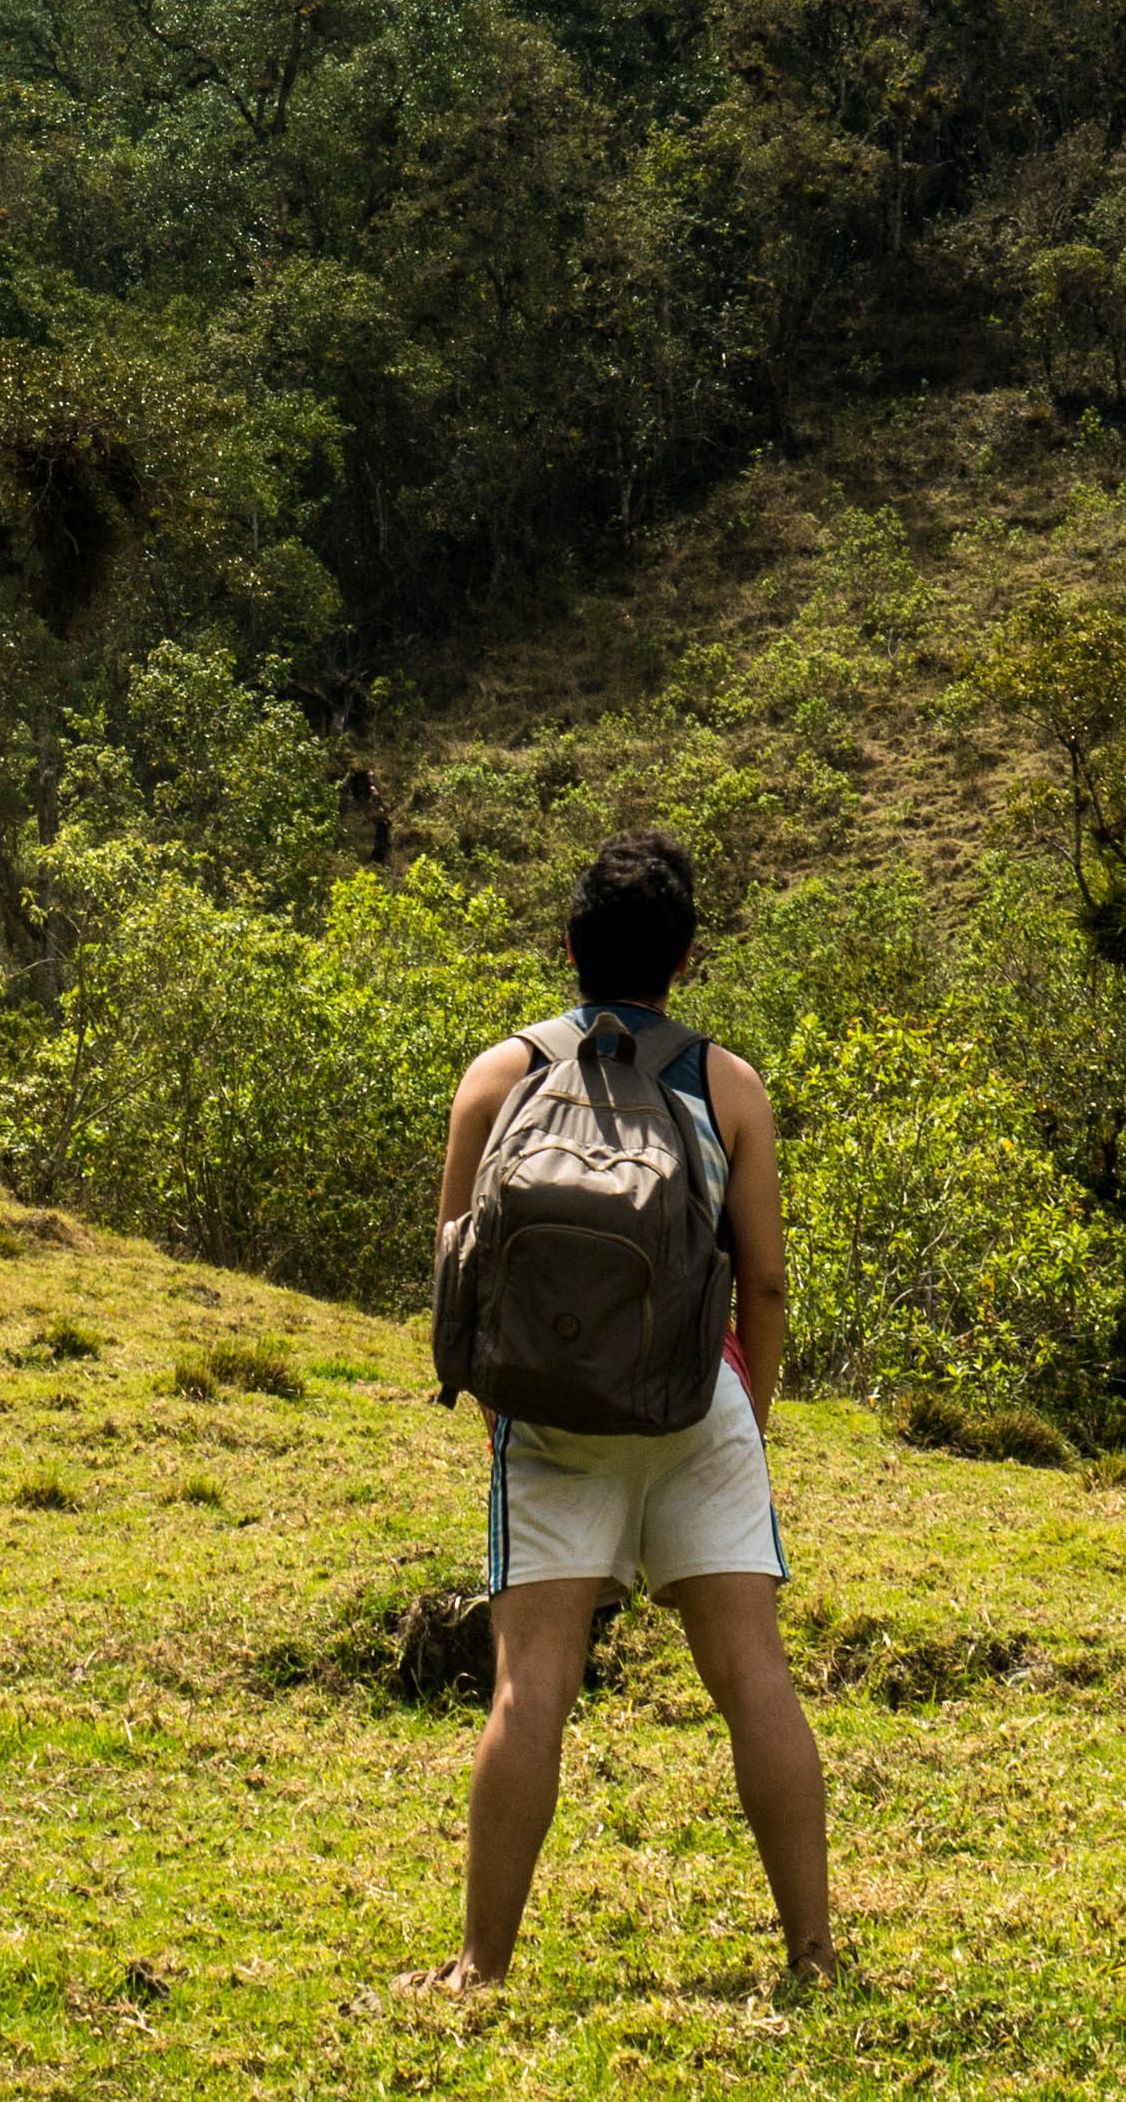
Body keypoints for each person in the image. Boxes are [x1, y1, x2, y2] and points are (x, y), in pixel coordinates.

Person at [403, 829, 833, 1999]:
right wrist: (751, 1402)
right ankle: (810, 1954)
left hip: (546, 1421)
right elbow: (767, 1279)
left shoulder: (497, 1076)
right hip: (698, 1411)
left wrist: (494, 1403)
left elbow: (454, 1263)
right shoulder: (726, 1083)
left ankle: (480, 1967)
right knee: (753, 1679)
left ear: (567, 947)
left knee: (527, 1689)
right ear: (684, 961)